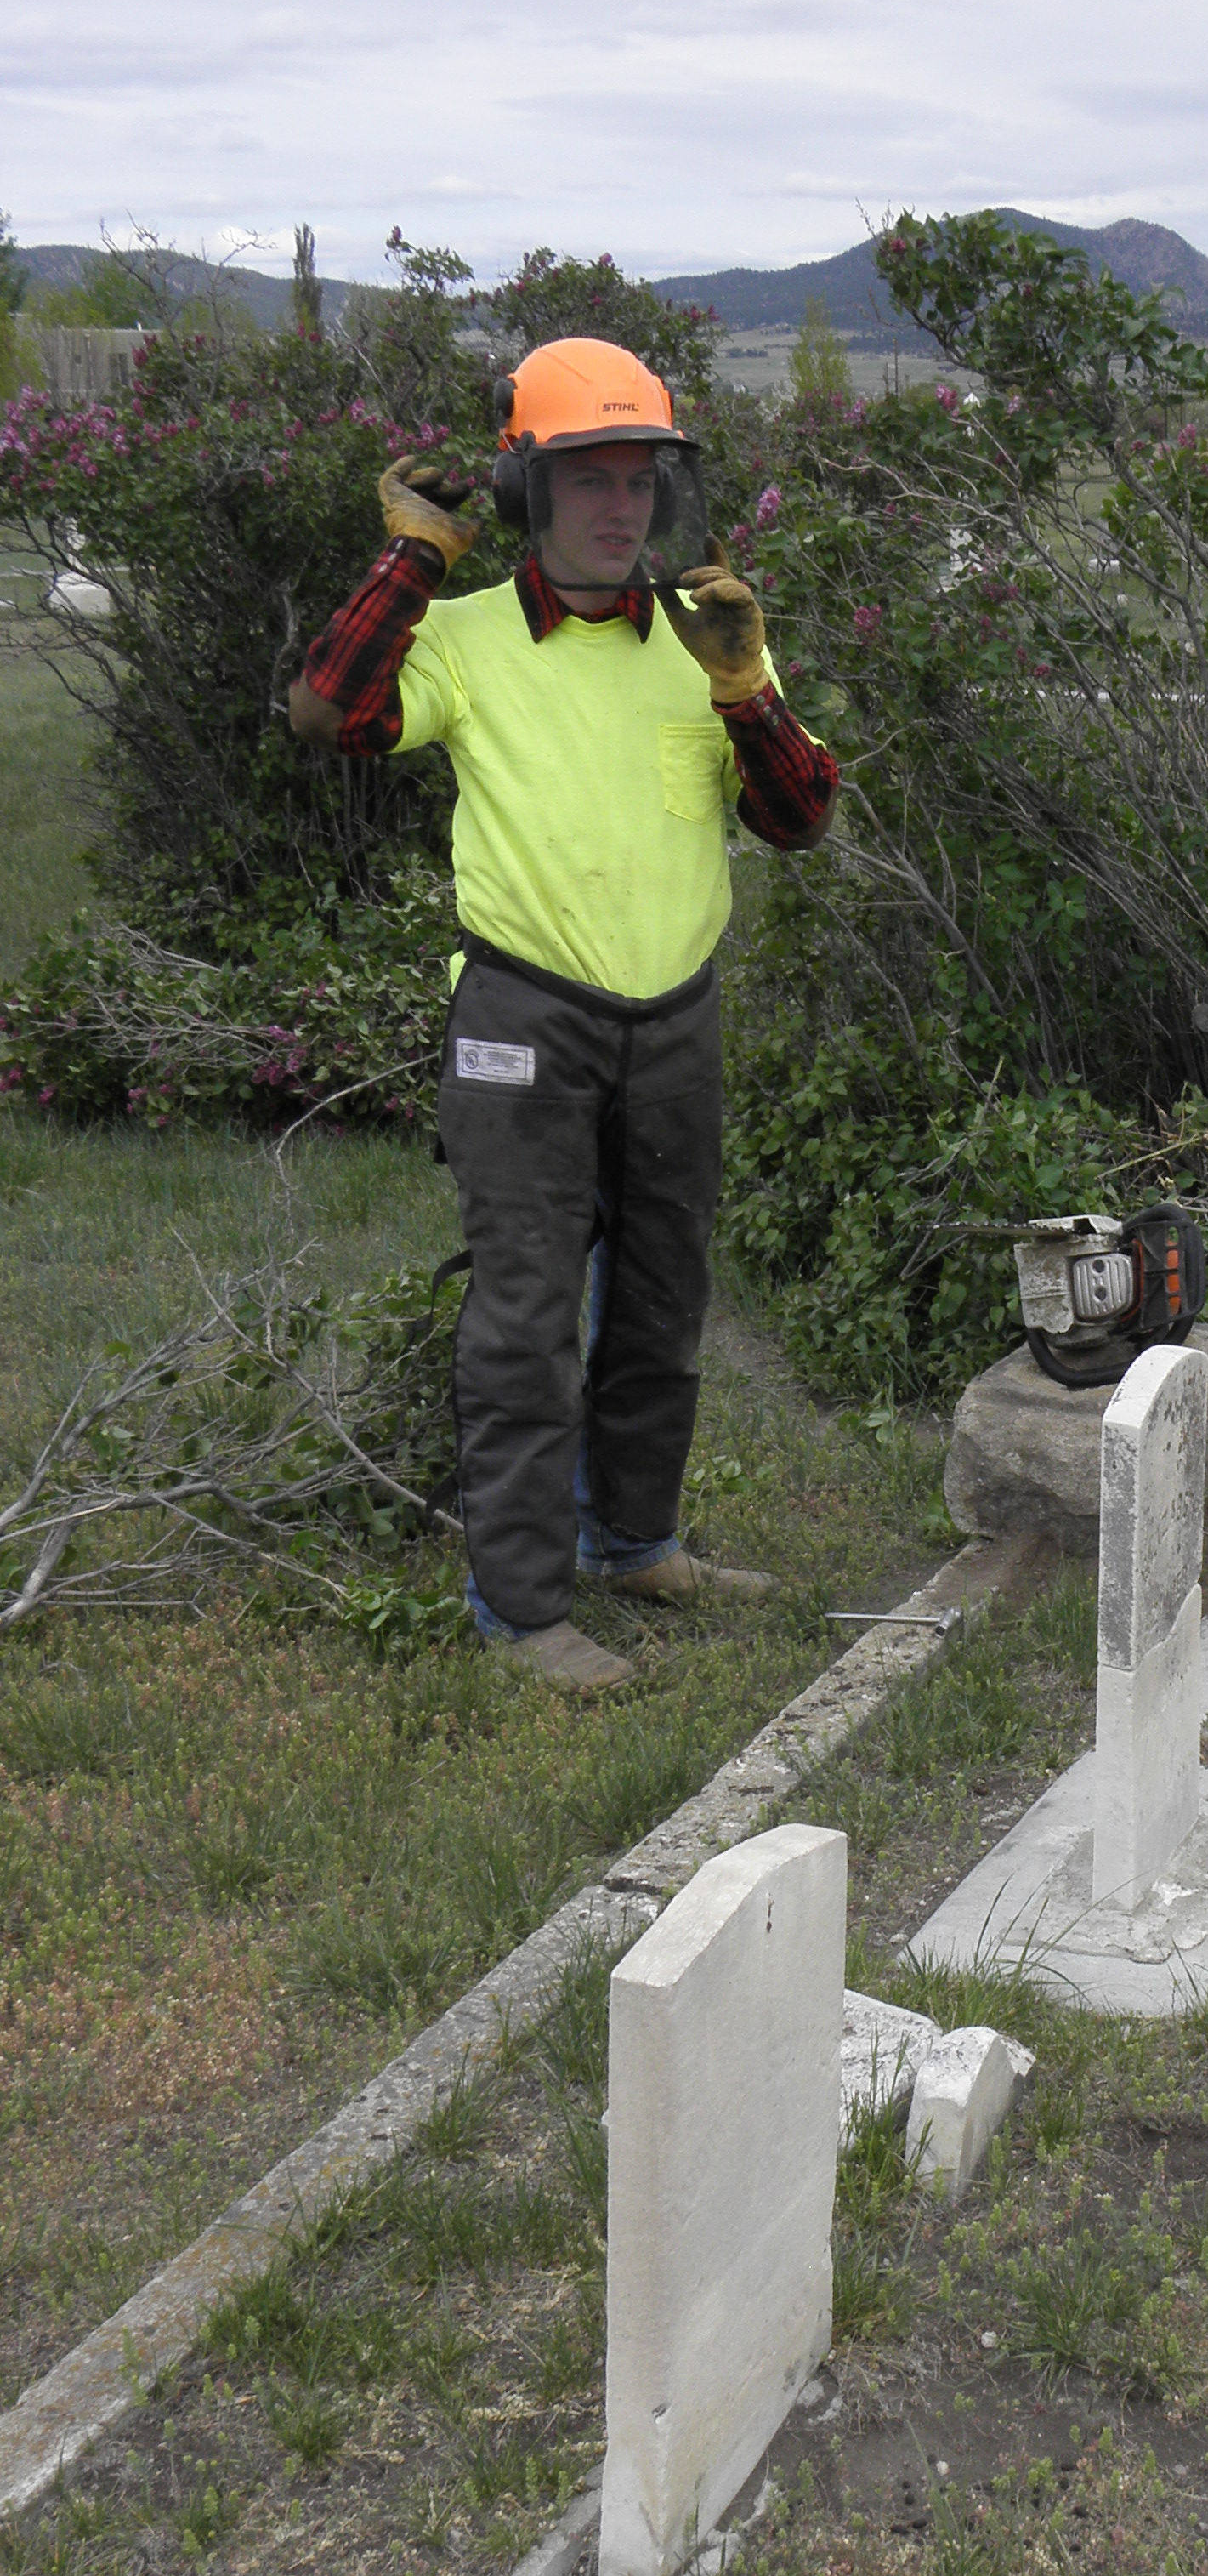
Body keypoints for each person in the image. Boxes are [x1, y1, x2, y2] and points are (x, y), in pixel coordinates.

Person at [288, 337, 838, 1689]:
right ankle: (524, 1613)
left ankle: (635, 1543)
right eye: (588, 477)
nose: (619, 507)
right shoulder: (467, 639)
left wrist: (743, 689)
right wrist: (408, 559)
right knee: (527, 1319)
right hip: (523, 1020)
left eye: (641, 479)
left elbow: (801, 819)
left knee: (662, 1298)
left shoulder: (710, 639)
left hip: (679, 1019)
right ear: (530, 489)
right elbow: (327, 716)